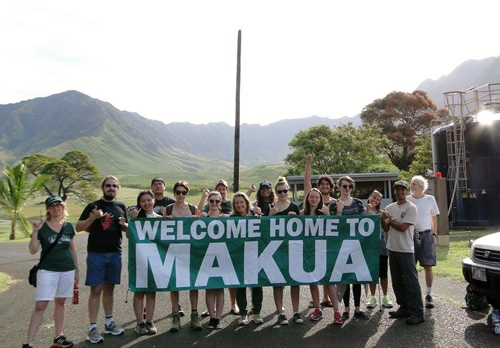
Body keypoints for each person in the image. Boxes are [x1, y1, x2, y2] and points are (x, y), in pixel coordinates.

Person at [75, 176, 127, 344]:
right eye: (108, 185)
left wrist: (124, 226)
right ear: (103, 188)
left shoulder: (120, 207)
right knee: (96, 290)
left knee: (110, 289)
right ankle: (92, 328)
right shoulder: (92, 206)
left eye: (114, 186)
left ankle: (109, 322)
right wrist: (93, 217)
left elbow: (126, 229)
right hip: (96, 253)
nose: (111, 188)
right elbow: (78, 227)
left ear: (117, 188)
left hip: (115, 252)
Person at [23, 196, 78, 348]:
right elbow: (33, 250)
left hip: (67, 269)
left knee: (61, 302)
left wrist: (76, 269)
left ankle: (58, 337)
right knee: (41, 305)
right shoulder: (42, 227)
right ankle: (29, 343)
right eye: (52, 206)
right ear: (48, 209)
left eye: (59, 205)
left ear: (63, 207)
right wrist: (35, 232)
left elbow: (72, 249)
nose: (56, 208)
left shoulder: (68, 226)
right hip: (48, 270)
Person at [381, 180, 425, 325]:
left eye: (402, 189)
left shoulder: (411, 207)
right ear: (394, 191)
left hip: (406, 250)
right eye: (397, 189)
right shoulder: (390, 207)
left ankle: (417, 312)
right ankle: (404, 307)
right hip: (392, 248)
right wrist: (383, 220)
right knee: (397, 281)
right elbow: (386, 229)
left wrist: (389, 220)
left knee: (411, 282)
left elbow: (403, 227)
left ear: (406, 191)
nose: (400, 192)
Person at [163, 181, 202, 332]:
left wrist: (196, 220)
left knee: (193, 283)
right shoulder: (168, 209)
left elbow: (201, 229)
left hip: (190, 251)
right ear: (174, 193)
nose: (180, 195)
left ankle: (194, 315)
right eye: (178, 192)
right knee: (174, 284)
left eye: (183, 192)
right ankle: (175, 317)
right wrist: (164, 221)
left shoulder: (192, 208)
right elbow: (159, 230)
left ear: (187, 193)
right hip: (172, 250)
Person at [301, 188, 342, 325]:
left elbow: (333, 229)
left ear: (320, 200)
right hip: (308, 251)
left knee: (328, 280)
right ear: (308, 198)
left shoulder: (324, 212)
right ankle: (318, 308)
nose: (313, 199)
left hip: (323, 250)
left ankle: (337, 311)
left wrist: (328, 214)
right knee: (313, 281)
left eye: (316, 197)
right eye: (311, 197)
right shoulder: (302, 214)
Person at [329, 175, 368, 321]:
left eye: (349, 186)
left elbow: (364, 223)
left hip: (356, 244)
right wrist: (339, 212)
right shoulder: (333, 205)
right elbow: (331, 227)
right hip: (340, 246)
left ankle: (357, 308)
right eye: (344, 186)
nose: (347, 189)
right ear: (338, 187)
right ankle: (346, 308)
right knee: (344, 277)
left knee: (356, 277)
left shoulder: (358, 203)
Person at [304, 154, 337, 308]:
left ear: (330, 186)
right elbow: (307, 183)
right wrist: (308, 164)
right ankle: (318, 302)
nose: (324, 186)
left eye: (327, 184)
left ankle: (326, 299)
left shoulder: (334, 204)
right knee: (314, 273)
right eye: (321, 184)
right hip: (311, 243)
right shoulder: (312, 199)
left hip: (326, 242)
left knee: (327, 272)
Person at [269, 177, 300, 325]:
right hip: (275, 250)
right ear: (276, 192)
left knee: (295, 281)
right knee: (278, 283)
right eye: (279, 191)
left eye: (285, 191)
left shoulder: (294, 207)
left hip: (292, 249)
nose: (282, 193)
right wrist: (270, 216)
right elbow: (263, 229)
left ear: (288, 190)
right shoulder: (271, 207)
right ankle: (280, 313)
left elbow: (301, 230)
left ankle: (295, 311)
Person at [130, 190, 161, 335]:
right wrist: (133, 221)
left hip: (155, 259)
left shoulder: (159, 218)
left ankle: (149, 320)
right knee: (139, 291)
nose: (146, 203)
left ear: (154, 200)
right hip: (139, 258)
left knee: (151, 291)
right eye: (143, 201)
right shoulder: (136, 218)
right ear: (139, 203)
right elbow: (129, 236)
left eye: (149, 200)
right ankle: (139, 323)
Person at [406, 175, 440, 309]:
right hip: (411, 234)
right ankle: (413, 295)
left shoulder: (430, 199)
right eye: (411, 184)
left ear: (421, 186)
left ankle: (429, 294)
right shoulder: (407, 200)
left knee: (428, 265)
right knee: (410, 266)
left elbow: (434, 219)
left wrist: (434, 234)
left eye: (413, 184)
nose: (411, 186)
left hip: (426, 234)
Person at [232, 192, 264, 326]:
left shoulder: (256, 215)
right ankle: (243, 315)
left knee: (257, 286)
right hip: (239, 258)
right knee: (241, 287)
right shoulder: (231, 219)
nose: (239, 205)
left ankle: (256, 313)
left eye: (242, 202)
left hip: (255, 256)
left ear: (246, 202)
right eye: (237, 203)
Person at [365, 190, 394, 309]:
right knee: (372, 272)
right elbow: (365, 222)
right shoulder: (364, 210)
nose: (375, 201)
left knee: (383, 273)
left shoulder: (382, 213)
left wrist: (389, 243)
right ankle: (372, 297)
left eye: (378, 199)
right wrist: (368, 210)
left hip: (382, 244)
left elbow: (387, 229)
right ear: (370, 197)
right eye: (374, 197)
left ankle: (385, 296)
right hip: (370, 245)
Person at [203, 191, 227, 329]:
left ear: (221, 202)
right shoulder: (202, 218)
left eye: (216, 201)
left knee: (220, 288)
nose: (213, 204)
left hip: (222, 256)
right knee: (209, 288)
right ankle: (212, 317)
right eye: (211, 201)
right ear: (208, 201)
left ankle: (218, 317)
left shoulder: (226, 218)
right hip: (207, 256)